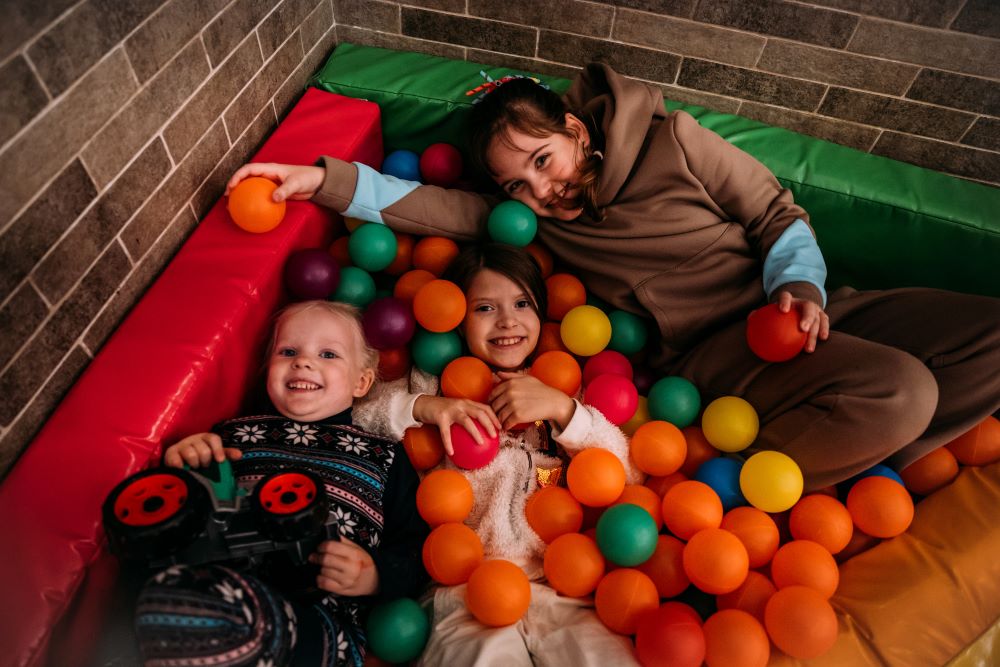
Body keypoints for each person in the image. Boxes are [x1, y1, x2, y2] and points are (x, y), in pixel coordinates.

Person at [226, 63, 1000, 490]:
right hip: (712, 359)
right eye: (517, 188)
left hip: (792, 308)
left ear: (574, 127)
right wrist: (323, 180)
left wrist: (799, 288)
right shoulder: (540, 227)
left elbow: (774, 210)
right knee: (907, 390)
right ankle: (786, 472)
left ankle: (866, 442)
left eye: (543, 162)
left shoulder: (679, 142)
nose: (540, 192)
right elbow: (438, 208)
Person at [352, 243, 643, 666]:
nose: (507, 321)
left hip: (560, 585)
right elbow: (357, 419)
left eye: (522, 303)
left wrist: (563, 410)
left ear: (541, 314)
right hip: (462, 589)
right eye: (484, 308)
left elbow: (626, 472)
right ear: (456, 318)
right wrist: (425, 408)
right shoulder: (433, 382)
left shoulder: (563, 388)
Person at [134, 300, 429, 667]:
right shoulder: (233, 434)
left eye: (328, 354)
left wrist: (374, 574)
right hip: (219, 589)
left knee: (229, 618)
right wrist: (186, 466)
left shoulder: (382, 455)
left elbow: (417, 549)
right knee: (167, 600)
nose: (304, 362)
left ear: (362, 381)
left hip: (316, 620)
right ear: (267, 368)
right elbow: (188, 521)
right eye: (288, 351)